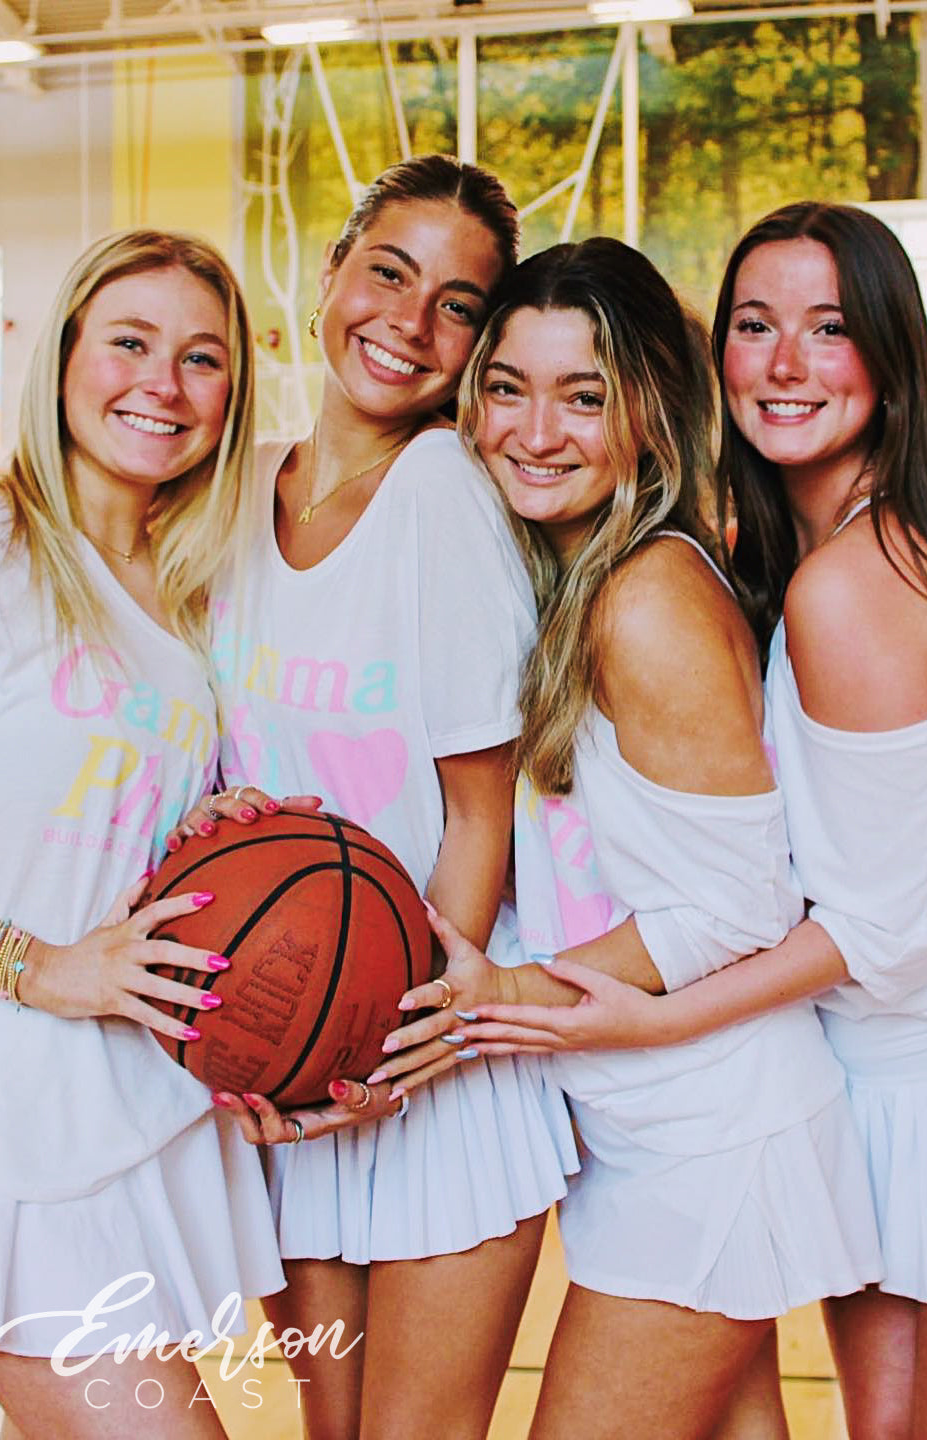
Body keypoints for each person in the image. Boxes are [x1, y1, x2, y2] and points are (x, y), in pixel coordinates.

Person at [428, 203, 927, 1440]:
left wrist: (524, 998)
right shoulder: (689, 563)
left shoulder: (699, 592)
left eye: (584, 397)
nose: (535, 432)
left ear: (648, 408)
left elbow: (779, 906)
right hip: (691, 1111)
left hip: (742, 1118)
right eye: (507, 388)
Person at [176, 155, 577, 1440]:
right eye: (389, 273)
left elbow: (483, 813)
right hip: (298, 1048)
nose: (409, 321)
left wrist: (395, 1042)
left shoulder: (445, 492)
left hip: (422, 1055)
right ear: (330, 271)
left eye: (458, 306)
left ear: (478, 345)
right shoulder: (239, 489)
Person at [0, 229, 288, 1439]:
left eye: (202, 358)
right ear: (60, 360)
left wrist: (207, 831)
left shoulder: (195, 588)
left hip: (122, 1101)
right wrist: (39, 966)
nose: (165, 383)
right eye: (131, 343)